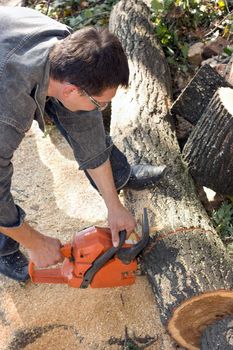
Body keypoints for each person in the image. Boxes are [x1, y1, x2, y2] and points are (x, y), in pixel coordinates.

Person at [0, 6, 166, 282]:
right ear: (70, 89)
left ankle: (118, 178)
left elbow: (88, 132)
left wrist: (114, 205)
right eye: (101, 103)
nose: (102, 108)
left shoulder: (71, 50)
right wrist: (36, 242)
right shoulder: (7, 112)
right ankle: (3, 248)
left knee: (85, 120)